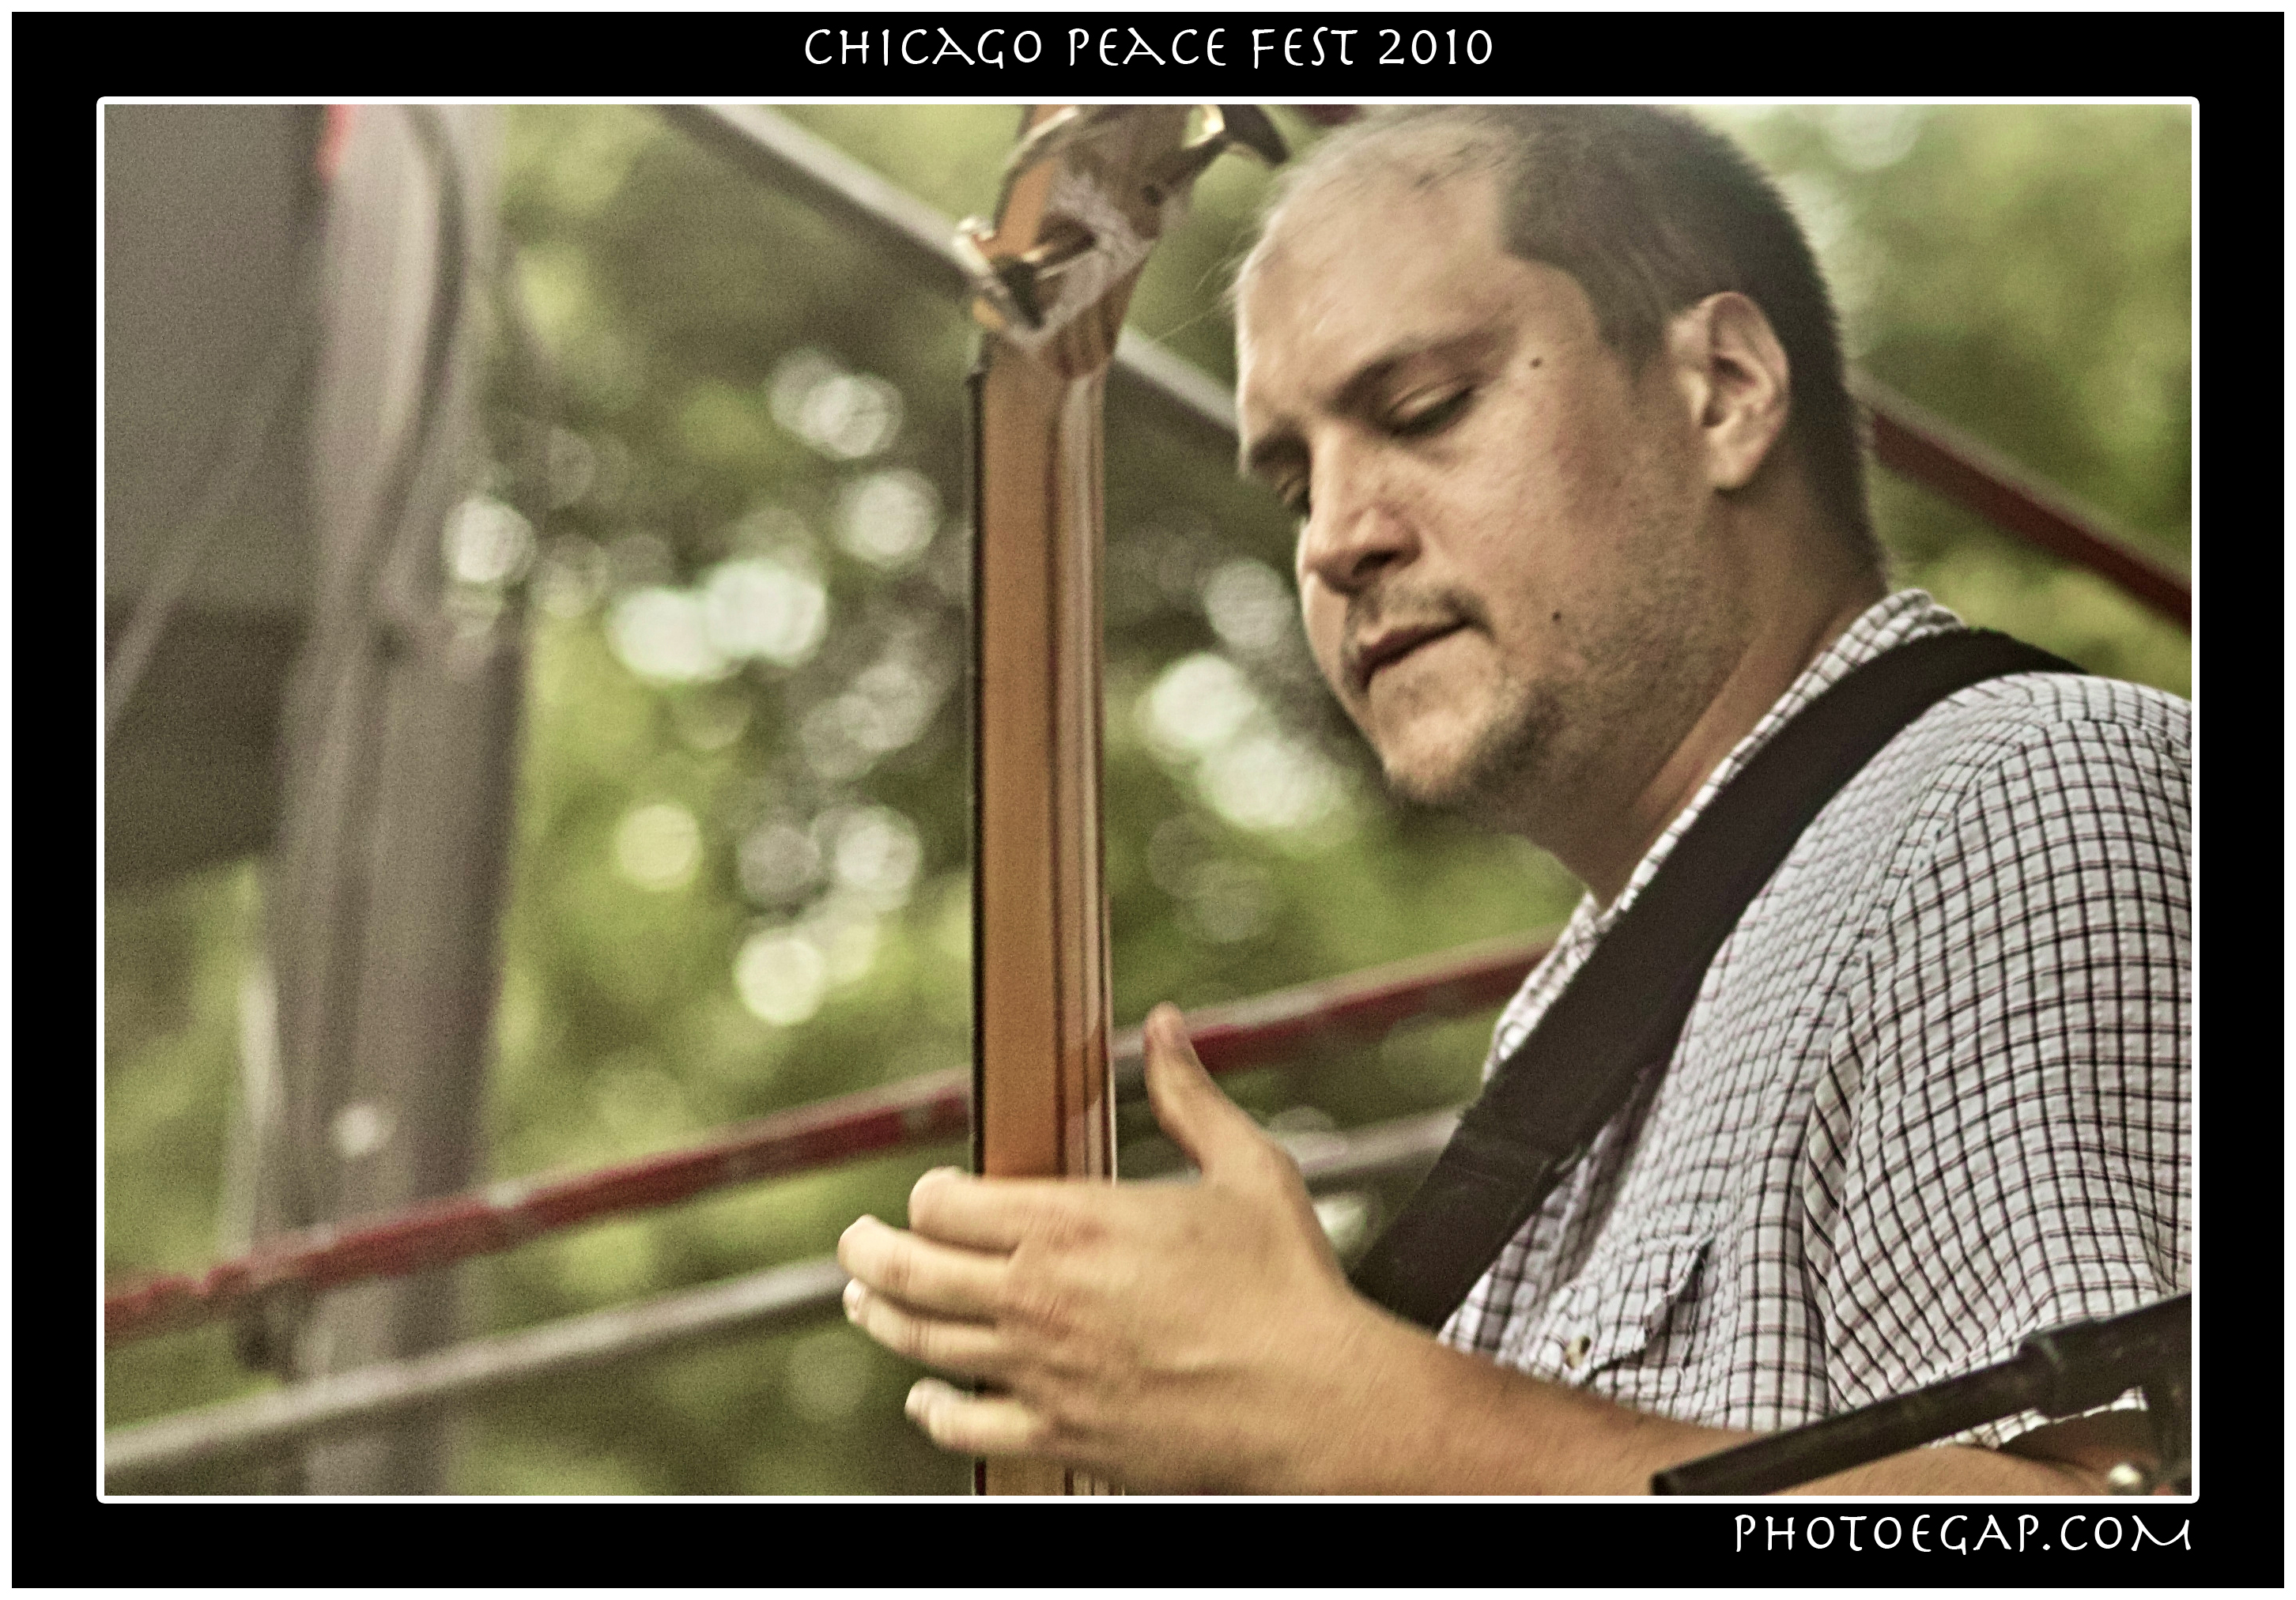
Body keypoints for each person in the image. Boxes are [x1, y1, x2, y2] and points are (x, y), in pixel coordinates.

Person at [836, 107, 2191, 1495]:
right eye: (1297, 486)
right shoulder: (1592, 1016)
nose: (1336, 541)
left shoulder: (2012, 798)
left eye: (1424, 411)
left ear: (1724, 390)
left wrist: (1364, 1419)